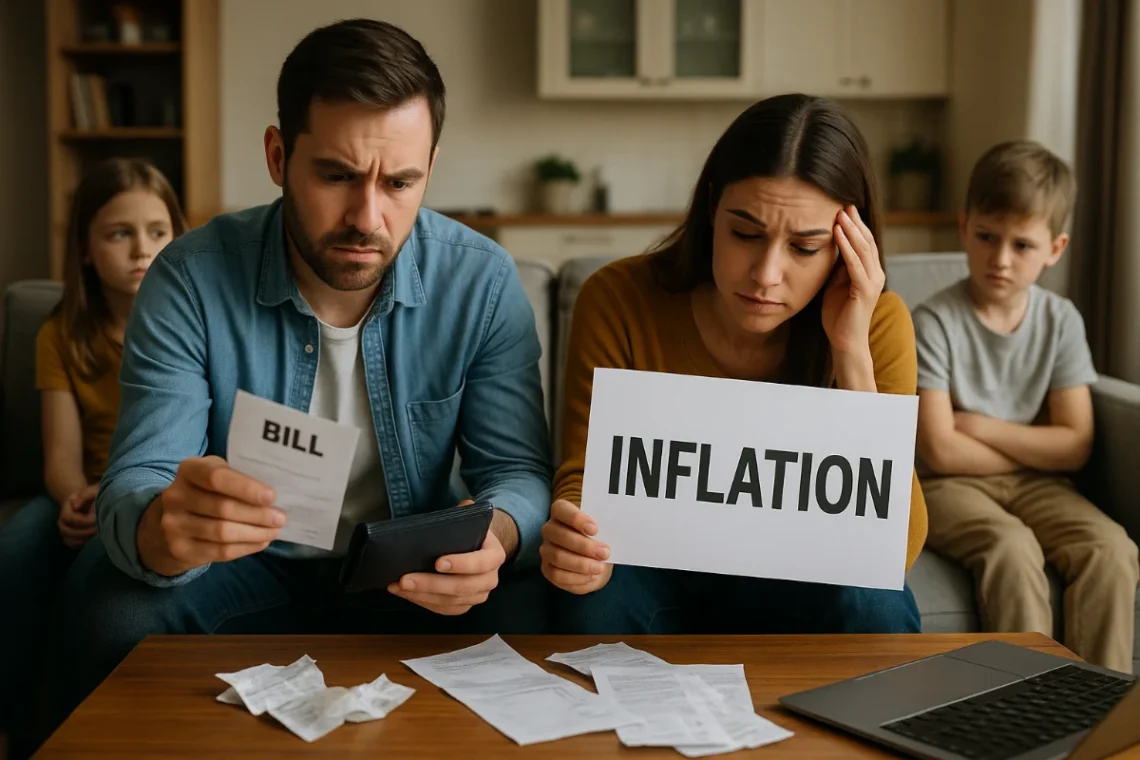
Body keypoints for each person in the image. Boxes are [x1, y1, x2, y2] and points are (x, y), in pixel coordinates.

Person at [48, 17, 551, 730]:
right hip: (241, 567)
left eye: (400, 182)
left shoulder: (483, 281)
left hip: (407, 567)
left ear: (430, 169)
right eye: (337, 175)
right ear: (278, 156)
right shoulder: (189, 277)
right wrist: (165, 531)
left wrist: (494, 539)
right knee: (111, 606)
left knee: (548, 608)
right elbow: (141, 475)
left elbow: (519, 472)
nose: (367, 217)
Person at [540, 94, 927, 635]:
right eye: (745, 234)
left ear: (846, 248)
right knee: (588, 603)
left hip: (802, 573)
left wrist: (850, 350)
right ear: (711, 209)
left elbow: (895, 550)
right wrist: (576, 539)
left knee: (876, 603)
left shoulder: (876, 323)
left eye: (804, 248)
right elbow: (584, 475)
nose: (766, 274)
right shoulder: (617, 299)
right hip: (655, 569)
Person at [912, 141, 1138, 673]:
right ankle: (1026, 705)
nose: (1001, 259)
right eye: (987, 237)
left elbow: (1075, 445)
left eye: (1022, 245)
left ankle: (1102, 706)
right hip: (946, 488)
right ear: (964, 226)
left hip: (1038, 485)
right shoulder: (932, 322)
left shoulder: (1061, 321)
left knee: (1111, 548)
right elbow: (941, 451)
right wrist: (1035, 447)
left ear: (1055, 248)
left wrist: (981, 426)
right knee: (1010, 547)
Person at [0, 158, 185, 759]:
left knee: (97, 582)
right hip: (84, 487)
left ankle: (79, 728)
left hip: (155, 494)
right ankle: (22, 731)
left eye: (157, 231)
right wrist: (75, 495)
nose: (142, 249)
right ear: (84, 247)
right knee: (14, 552)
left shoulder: (190, 324)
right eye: (119, 233)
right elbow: (59, 455)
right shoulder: (60, 334)